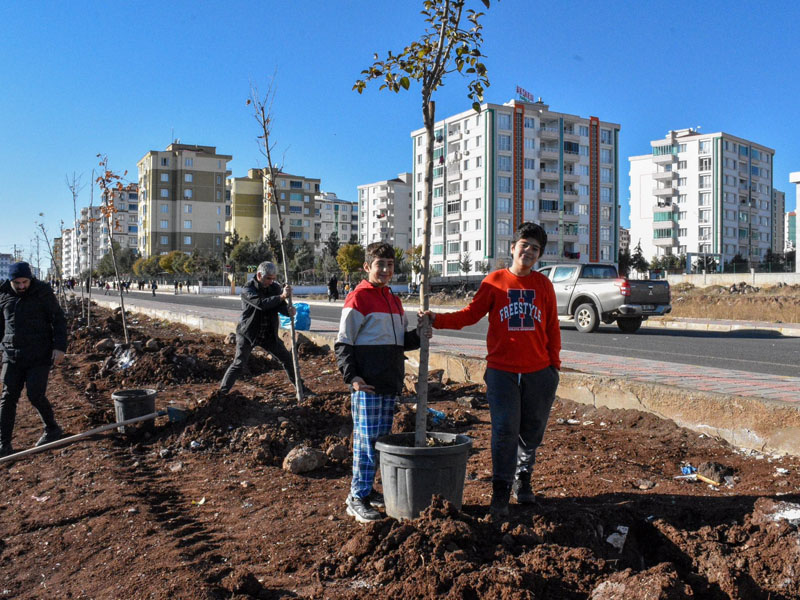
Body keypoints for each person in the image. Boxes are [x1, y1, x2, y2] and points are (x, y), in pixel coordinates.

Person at [422, 222, 561, 518]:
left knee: (531, 433)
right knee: (504, 430)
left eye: (535, 249)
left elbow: (552, 327)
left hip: (539, 372)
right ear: (513, 247)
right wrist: (436, 319)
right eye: (524, 245)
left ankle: (524, 478)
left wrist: (554, 368)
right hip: (502, 372)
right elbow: (469, 315)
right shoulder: (495, 281)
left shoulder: (544, 285)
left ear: (540, 255)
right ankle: (501, 490)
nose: (529, 251)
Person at [335, 242, 430, 523]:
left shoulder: (392, 298)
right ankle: (357, 497)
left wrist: (420, 332)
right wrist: (352, 377)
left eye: (390, 264)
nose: (386, 269)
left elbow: (398, 343)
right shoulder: (358, 298)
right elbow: (343, 342)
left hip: (389, 383)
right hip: (369, 385)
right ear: (367, 267)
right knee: (366, 443)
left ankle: (367, 490)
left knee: (379, 442)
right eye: (380, 264)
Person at [0, 262, 67, 456]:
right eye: (17, 283)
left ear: (31, 279)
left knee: (35, 394)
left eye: (25, 282)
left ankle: (52, 428)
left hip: (39, 354)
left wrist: (59, 347)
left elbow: (59, 319)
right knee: (7, 397)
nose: (21, 286)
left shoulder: (43, 292)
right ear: (10, 281)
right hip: (11, 355)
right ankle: (4, 443)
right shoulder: (3, 294)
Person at [219, 262, 310, 396]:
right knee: (239, 364)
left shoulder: (274, 288)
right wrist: (281, 296)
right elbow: (260, 304)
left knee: (287, 359)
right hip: (248, 333)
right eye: (268, 278)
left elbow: (280, 306)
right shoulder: (248, 289)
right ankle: (222, 393)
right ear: (259, 275)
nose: (271, 281)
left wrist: (289, 310)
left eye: (273, 278)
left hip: (268, 335)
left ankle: (301, 389)